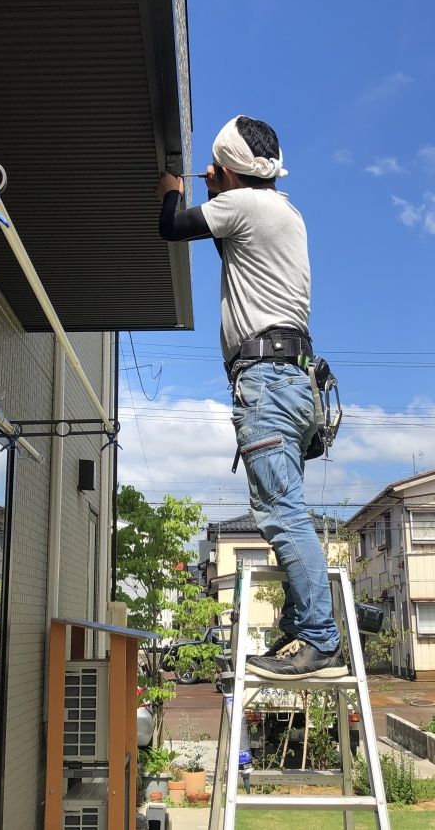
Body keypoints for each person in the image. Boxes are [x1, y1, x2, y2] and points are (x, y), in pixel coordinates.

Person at [155, 115, 345, 680]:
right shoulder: (281, 211)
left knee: (280, 514)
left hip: (267, 380)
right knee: (285, 508)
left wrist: (174, 191)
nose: (208, 174)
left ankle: (319, 635)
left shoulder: (246, 206)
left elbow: (171, 227)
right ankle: (301, 615)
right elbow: (227, 253)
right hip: (294, 380)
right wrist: (221, 187)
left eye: (217, 168)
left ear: (231, 171)